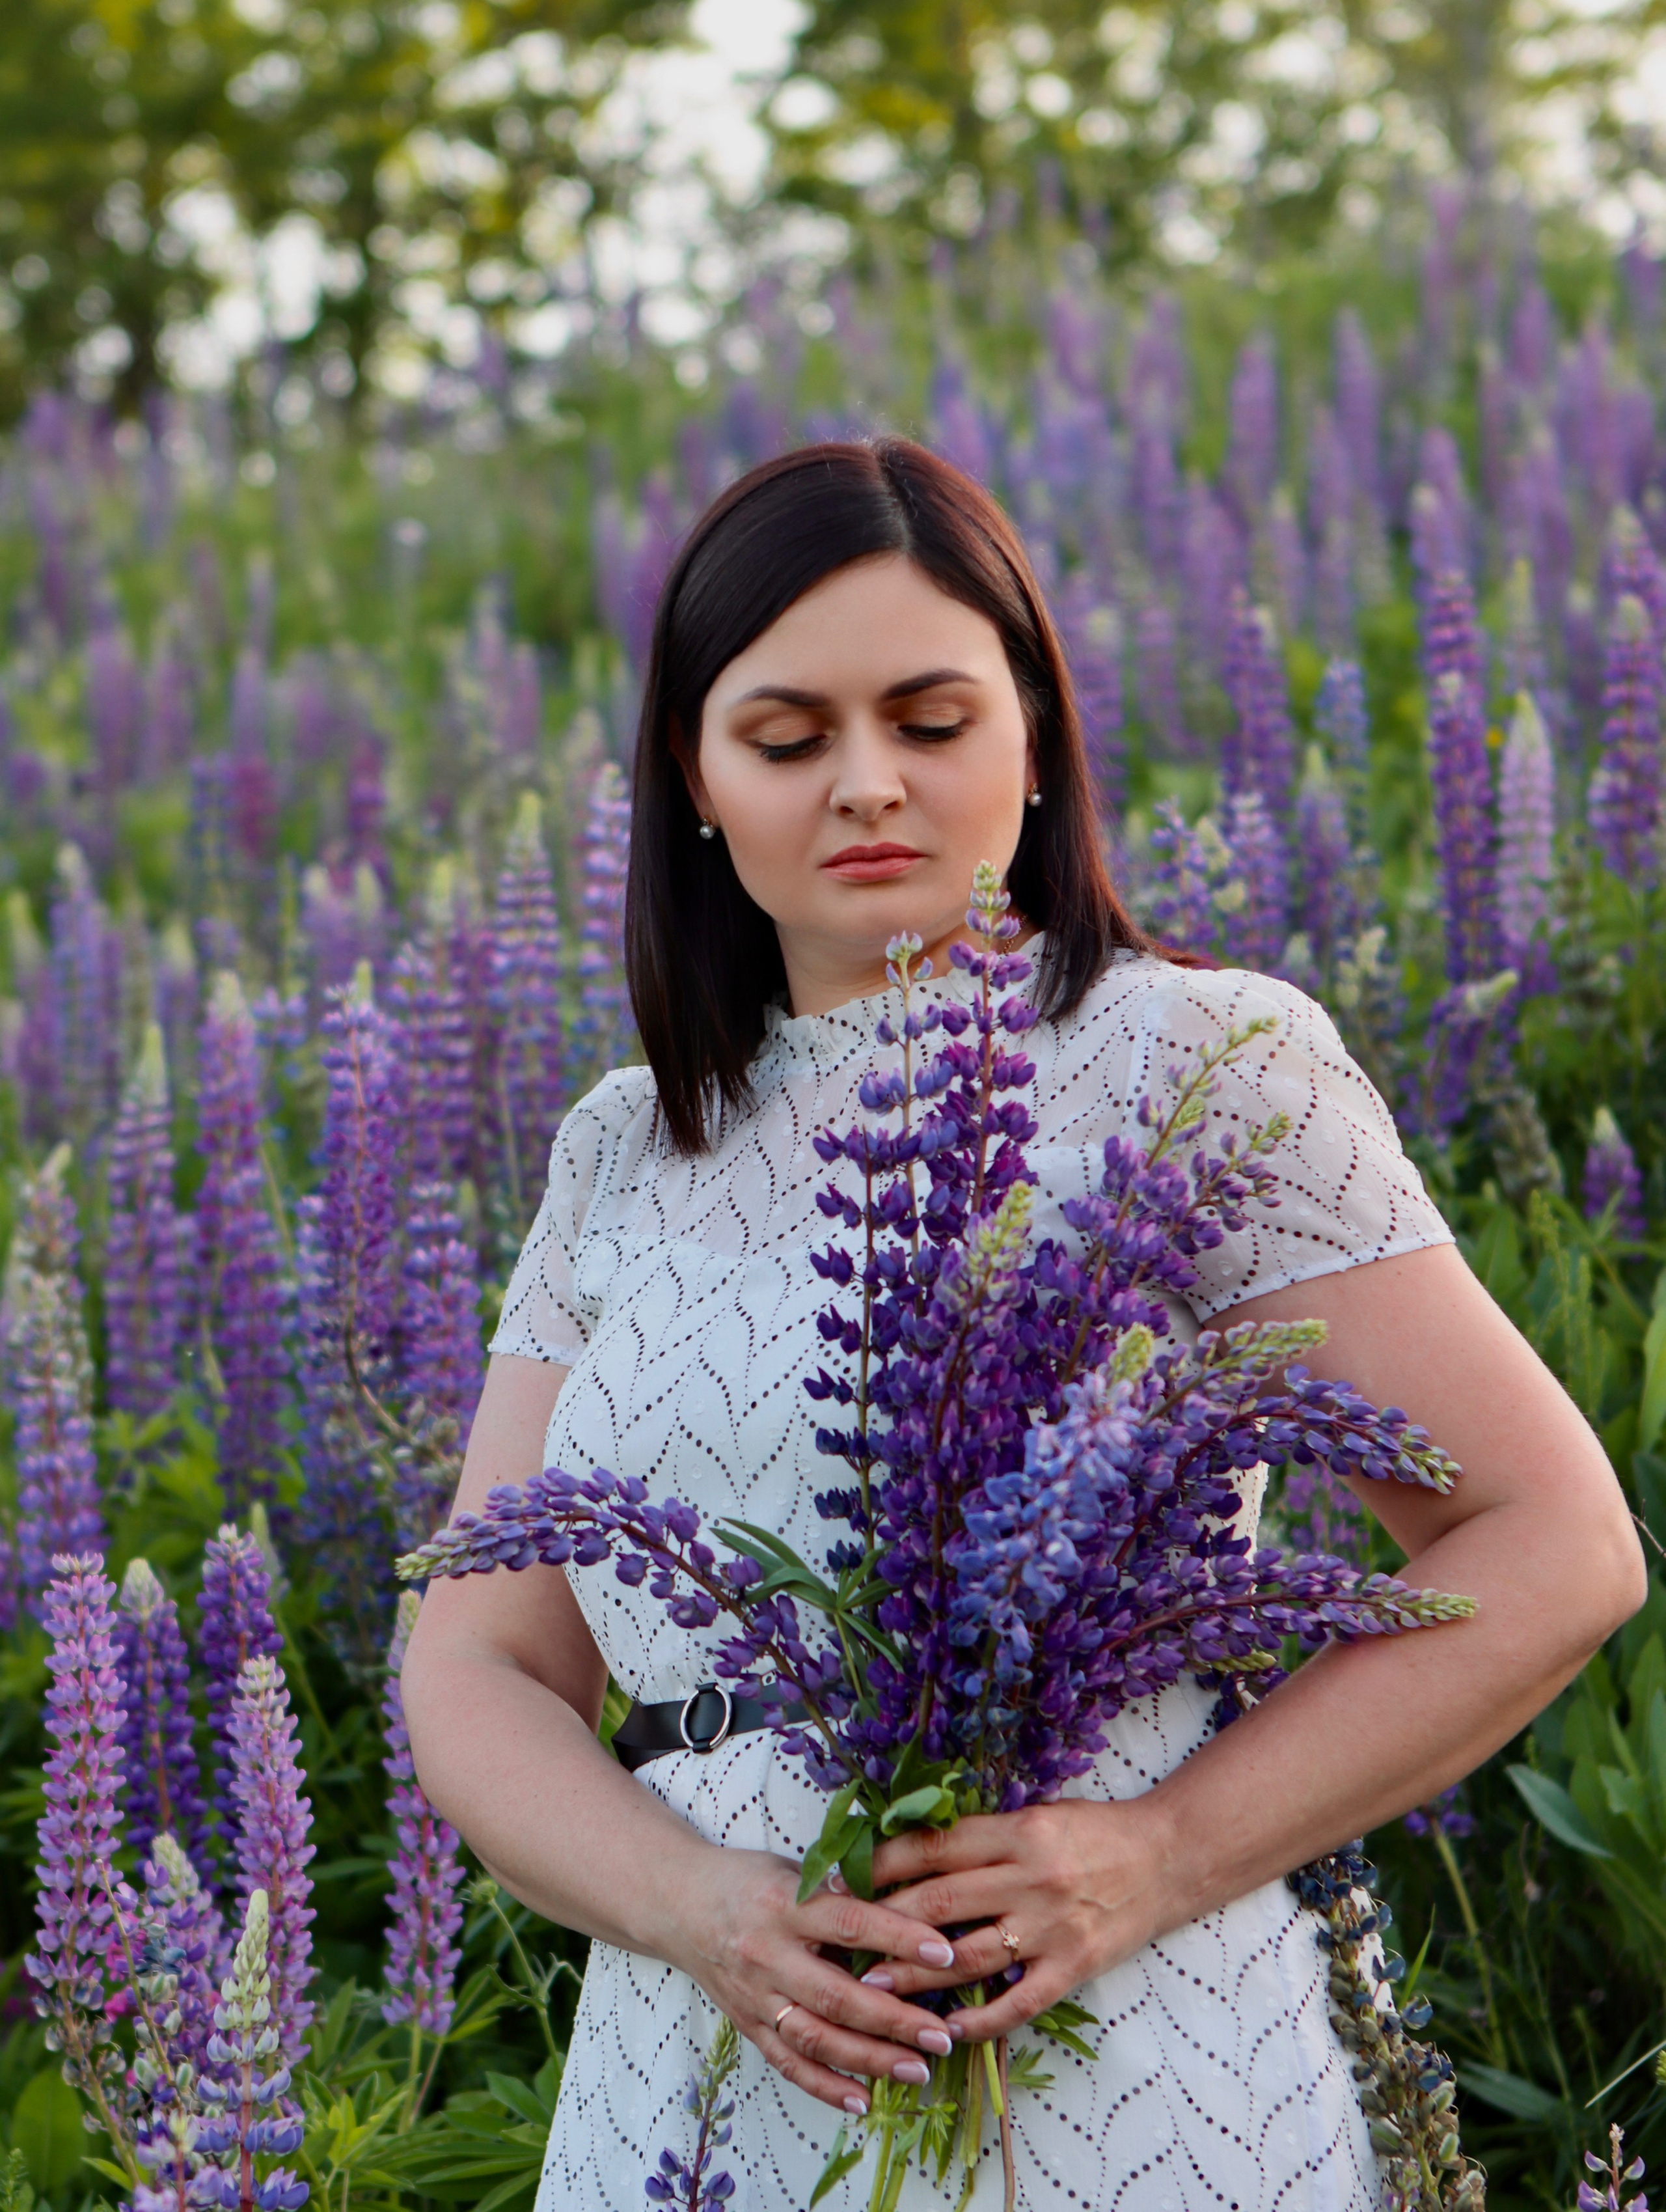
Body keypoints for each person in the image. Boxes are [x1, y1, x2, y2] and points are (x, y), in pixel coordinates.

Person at [402, 439, 1644, 2212]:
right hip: (695, 2075)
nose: (865, 786)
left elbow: (1556, 1544)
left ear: (1039, 735)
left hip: (1124, 2040)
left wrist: (1149, 1856)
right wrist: (704, 1911)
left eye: (930, 718)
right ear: (691, 774)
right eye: (785, 737)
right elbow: (479, 1663)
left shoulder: (1197, 1062)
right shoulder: (625, 1143)